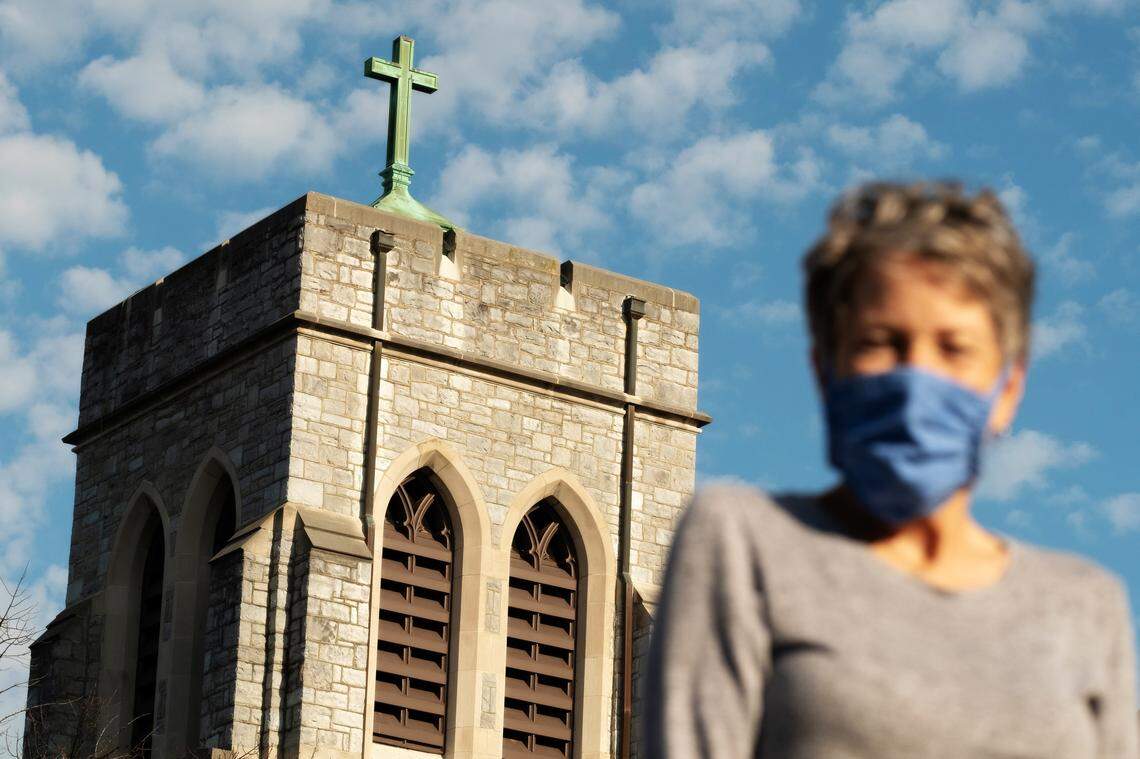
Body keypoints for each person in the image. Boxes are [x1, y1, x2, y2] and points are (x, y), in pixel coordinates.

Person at [644, 181, 1138, 758]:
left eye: (954, 349)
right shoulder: (743, 540)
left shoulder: (1084, 604)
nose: (916, 382)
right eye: (882, 343)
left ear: (1008, 389)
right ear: (825, 370)